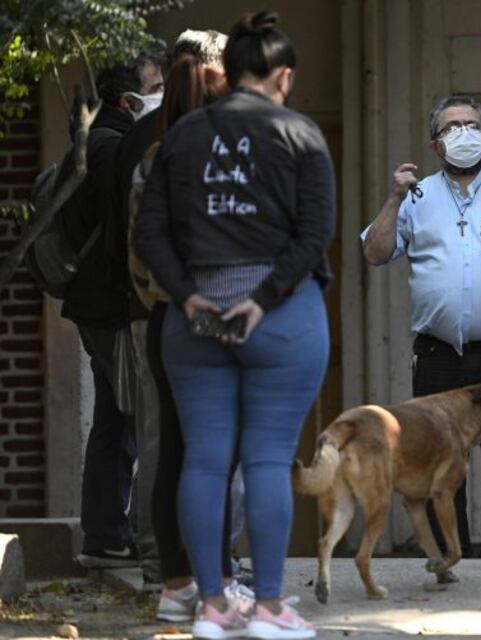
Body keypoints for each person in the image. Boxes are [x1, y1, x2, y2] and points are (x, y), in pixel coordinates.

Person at [134, 10, 334, 638]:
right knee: (270, 460)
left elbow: (149, 232)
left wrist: (189, 295)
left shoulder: (182, 137)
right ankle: (271, 607)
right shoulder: (300, 133)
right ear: (281, 76)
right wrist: (266, 294)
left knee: (202, 460)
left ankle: (212, 606)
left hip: (194, 323)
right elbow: (314, 234)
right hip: (282, 319)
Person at [361, 95, 481, 559]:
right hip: (439, 356)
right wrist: (393, 199)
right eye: (452, 127)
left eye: (471, 125)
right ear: (435, 143)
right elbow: (375, 252)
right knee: (439, 460)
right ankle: (445, 555)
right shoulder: (416, 196)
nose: (464, 134)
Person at [126, 48, 254, 622]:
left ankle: (178, 583)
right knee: (212, 454)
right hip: (207, 313)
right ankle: (215, 582)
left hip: (164, 315)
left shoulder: (153, 159)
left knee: (178, 449)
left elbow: (140, 250)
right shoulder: (211, 160)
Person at [70, 51, 166, 570]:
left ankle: (105, 533)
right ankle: (121, 534)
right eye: (156, 87)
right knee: (134, 418)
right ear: (130, 100)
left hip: (97, 302)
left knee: (114, 416)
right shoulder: (117, 145)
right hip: (110, 303)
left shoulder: (99, 139)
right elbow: (125, 228)